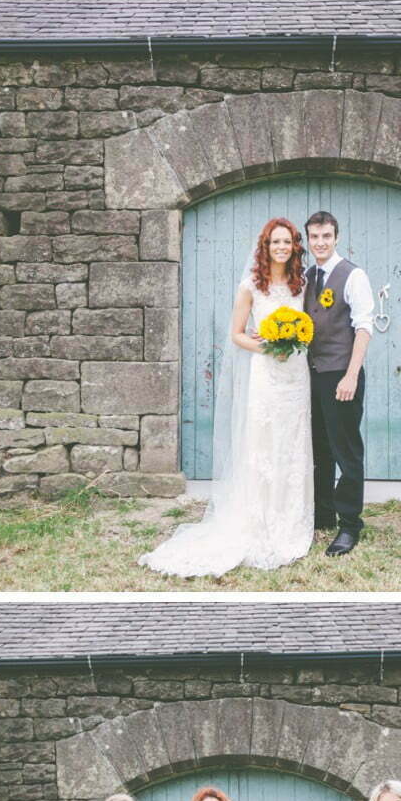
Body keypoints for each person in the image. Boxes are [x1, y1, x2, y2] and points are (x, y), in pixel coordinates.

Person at [138, 217, 313, 577]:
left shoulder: (302, 284)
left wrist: (294, 341)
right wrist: (266, 348)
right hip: (266, 376)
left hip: (296, 377)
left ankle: (290, 519)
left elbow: (308, 327)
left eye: (287, 242)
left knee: (292, 445)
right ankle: (259, 521)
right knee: (263, 445)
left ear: (295, 246)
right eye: (274, 242)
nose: (281, 247)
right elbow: (236, 335)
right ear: (265, 247)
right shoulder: (251, 285)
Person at [304, 210, 374, 557]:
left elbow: (364, 328)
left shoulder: (352, 275)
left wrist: (350, 375)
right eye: (314, 237)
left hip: (341, 375)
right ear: (308, 239)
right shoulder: (307, 276)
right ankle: (323, 514)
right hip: (312, 375)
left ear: (336, 237)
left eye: (326, 237)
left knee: (347, 451)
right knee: (319, 449)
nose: (320, 243)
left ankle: (349, 525)